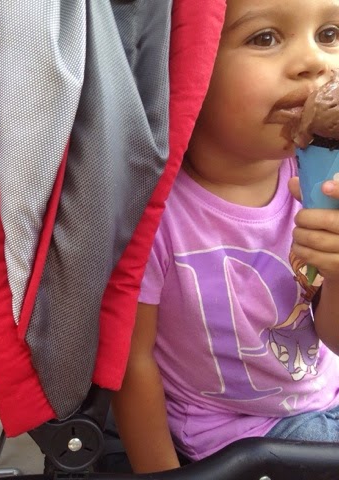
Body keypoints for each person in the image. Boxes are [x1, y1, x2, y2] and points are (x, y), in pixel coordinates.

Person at [112, 0, 339, 474]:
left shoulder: (320, 185)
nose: (314, 62)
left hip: (325, 395)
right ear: (186, 67)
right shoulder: (154, 214)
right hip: (240, 433)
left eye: (329, 35)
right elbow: (133, 364)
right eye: (265, 38)